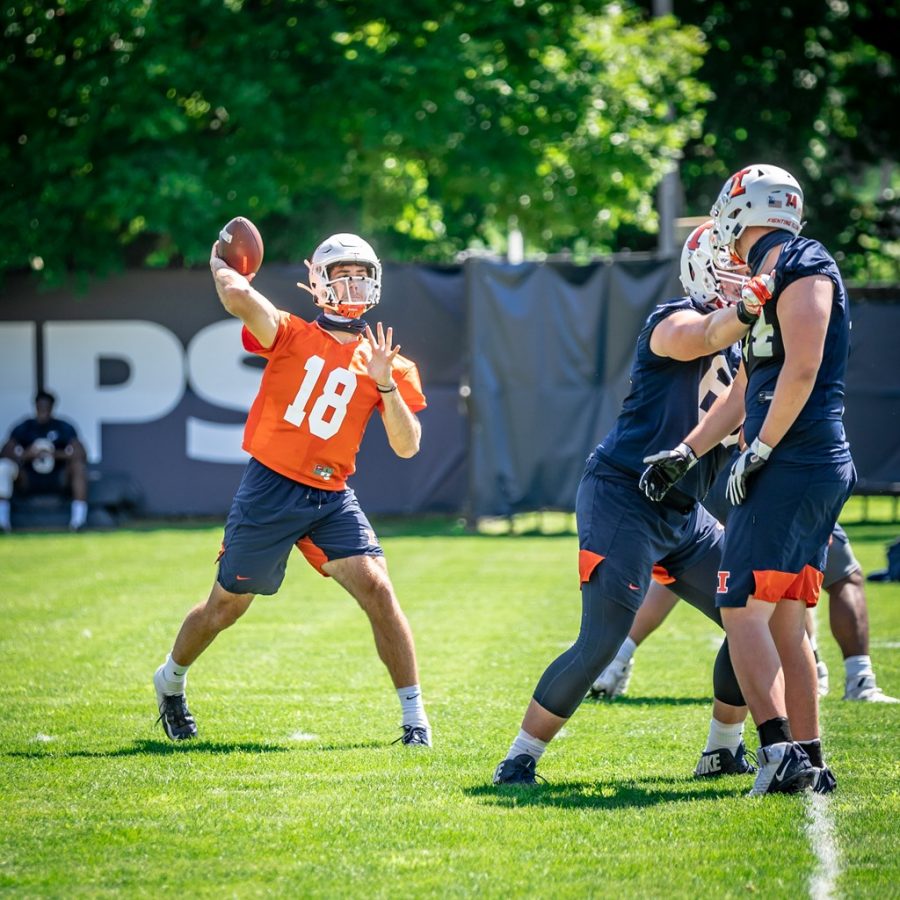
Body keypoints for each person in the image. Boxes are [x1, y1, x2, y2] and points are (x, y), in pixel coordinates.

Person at [492, 221, 768, 786]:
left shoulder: (753, 343)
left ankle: (723, 748)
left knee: (753, 617)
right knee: (603, 638)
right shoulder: (671, 320)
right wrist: (750, 307)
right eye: (730, 265)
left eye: (747, 267)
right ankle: (519, 759)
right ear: (701, 269)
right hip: (626, 493)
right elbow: (706, 335)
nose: (741, 276)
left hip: (684, 512)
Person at [153, 233, 432, 746]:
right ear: (318, 283)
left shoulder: (387, 360)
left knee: (379, 590)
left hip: (331, 496)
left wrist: (386, 383)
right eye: (341, 274)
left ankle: (415, 721)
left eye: (361, 274)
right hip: (271, 487)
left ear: (375, 282)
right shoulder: (290, 332)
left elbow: (408, 445)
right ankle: (170, 681)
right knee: (226, 608)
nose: (352, 284)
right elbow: (238, 297)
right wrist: (222, 264)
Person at [640, 163, 856, 797]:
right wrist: (688, 448)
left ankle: (779, 751)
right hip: (797, 457)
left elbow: (804, 367)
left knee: (738, 606)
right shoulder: (772, 270)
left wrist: (760, 448)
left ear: (742, 210)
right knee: (785, 615)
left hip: (798, 458)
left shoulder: (802, 260)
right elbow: (749, 384)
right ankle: (810, 755)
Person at [592, 525, 898, 705]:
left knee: (684, 566)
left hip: (718, 477)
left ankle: (616, 658)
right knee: (832, 577)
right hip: (776, 475)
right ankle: (856, 678)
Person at [0, 390, 89, 532]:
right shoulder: (24, 427)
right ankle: (2, 523)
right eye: (40, 406)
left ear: (53, 407)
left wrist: (55, 454)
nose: (43, 410)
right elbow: (4, 453)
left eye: (46, 406)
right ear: (35, 406)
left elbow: (82, 454)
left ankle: (78, 522)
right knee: (3, 467)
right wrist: (26, 454)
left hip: (57, 477)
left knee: (78, 467)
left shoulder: (64, 427)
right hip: (28, 479)